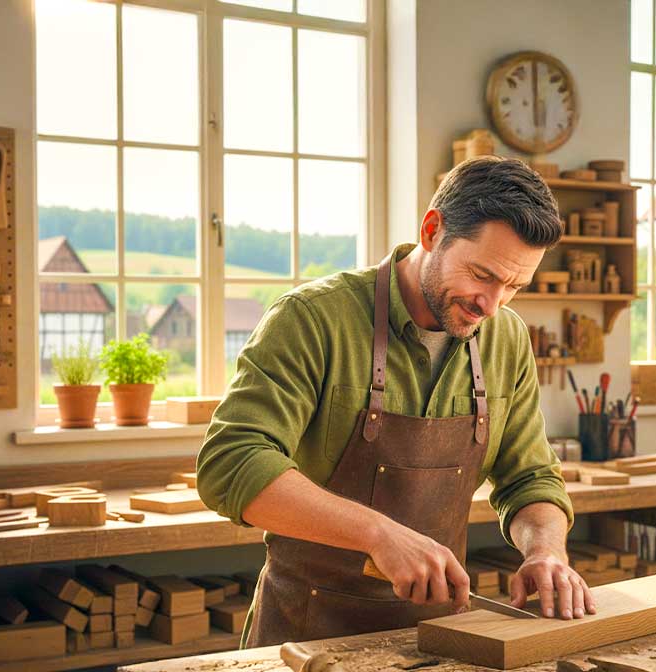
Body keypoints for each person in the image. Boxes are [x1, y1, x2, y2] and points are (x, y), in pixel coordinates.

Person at [197, 156, 595, 647]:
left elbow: (529, 476)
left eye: (514, 286)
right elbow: (230, 464)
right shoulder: (313, 319)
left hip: (435, 639)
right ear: (432, 230)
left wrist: (546, 550)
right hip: (304, 636)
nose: (491, 305)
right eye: (482, 275)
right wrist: (378, 534)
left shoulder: (505, 338)